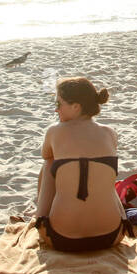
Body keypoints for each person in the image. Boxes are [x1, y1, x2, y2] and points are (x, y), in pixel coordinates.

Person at [35, 77, 128, 252]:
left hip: (60, 238)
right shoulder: (109, 133)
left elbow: (46, 155)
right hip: (113, 235)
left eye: (59, 103)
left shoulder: (54, 131)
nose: (56, 109)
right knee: (100, 170)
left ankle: (39, 215)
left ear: (76, 107)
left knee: (50, 162)